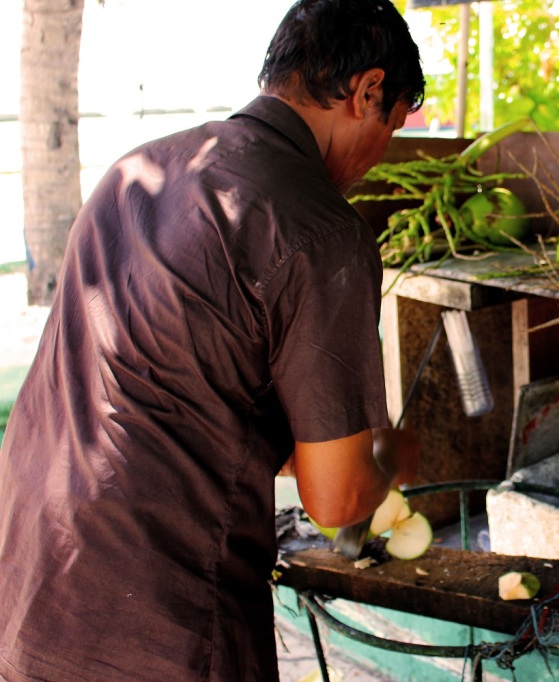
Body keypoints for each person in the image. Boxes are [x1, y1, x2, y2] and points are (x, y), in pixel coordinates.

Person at [0, 1, 425, 679]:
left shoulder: (134, 172)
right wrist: (391, 454)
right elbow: (338, 500)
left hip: (35, 580)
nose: (380, 158)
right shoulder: (320, 230)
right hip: (160, 620)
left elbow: (165, 379)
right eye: (394, 126)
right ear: (367, 91)